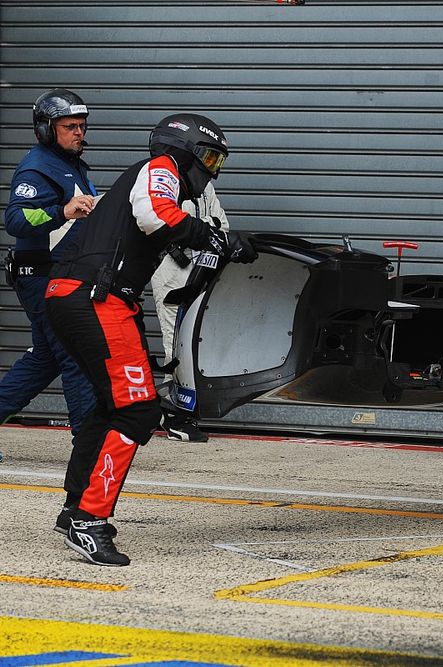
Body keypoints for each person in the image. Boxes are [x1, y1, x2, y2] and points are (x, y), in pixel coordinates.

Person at [45, 113, 257, 566]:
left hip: (81, 295)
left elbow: (162, 229)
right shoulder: (161, 167)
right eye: (211, 156)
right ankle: (89, 521)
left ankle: (73, 511)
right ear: (188, 150)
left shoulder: (157, 177)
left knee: (112, 406)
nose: (214, 167)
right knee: (138, 409)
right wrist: (216, 235)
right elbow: (155, 215)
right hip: (96, 297)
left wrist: (216, 245)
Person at [1, 88, 97, 447]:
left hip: (60, 276)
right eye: (69, 126)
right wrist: (61, 211)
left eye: (82, 126)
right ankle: (89, 446)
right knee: (75, 355)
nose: (78, 132)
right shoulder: (37, 167)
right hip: (41, 278)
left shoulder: (71, 164)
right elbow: (16, 219)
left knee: (45, 359)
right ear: (46, 129)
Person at [151, 182, 229, 442]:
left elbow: (222, 224)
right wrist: (202, 226)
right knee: (175, 341)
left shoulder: (205, 185)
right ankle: (175, 415)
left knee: (194, 344)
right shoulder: (164, 180)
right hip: (172, 267)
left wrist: (199, 226)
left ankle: (167, 408)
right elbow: (164, 226)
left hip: (202, 268)